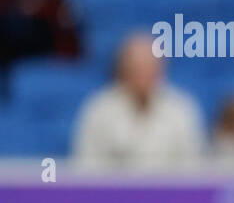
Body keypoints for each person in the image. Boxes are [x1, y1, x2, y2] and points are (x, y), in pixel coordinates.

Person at [71, 32, 204, 168]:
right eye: (137, 67)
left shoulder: (181, 109)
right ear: (123, 68)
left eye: (150, 67)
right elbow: (86, 169)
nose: (144, 74)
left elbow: (193, 169)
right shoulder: (99, 111)